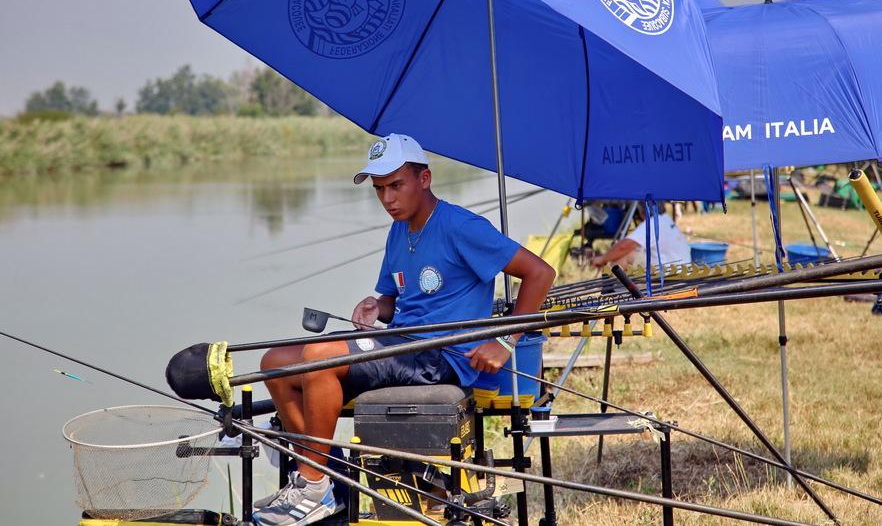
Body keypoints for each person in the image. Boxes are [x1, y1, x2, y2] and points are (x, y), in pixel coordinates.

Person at [252, 133, 556, 526]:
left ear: (424, 179)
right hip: (400, 345)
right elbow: (397, 299)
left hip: (439, 355)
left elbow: (540, 273)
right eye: (380, 189)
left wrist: (504, 340)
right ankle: (334, 481)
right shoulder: (399, 230)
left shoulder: (460, 226)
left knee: (318, 356)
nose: (388, 199)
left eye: (396, 185)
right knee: (275, 364)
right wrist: (376, 306)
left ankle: (312, 485)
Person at [590, 204, 690, 269]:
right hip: (681, 270)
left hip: (670, 275)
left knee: (626, 256)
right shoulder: (666, 219)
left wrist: (602, 259)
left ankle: (615, 290)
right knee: (635, 252)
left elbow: (623, 247)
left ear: (642, 211)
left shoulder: (653, 222)